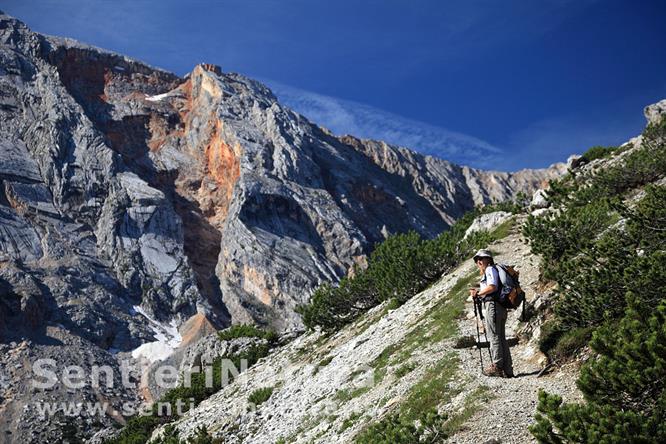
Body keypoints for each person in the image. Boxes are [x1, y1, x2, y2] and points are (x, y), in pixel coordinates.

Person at [469, 249, 514, 378]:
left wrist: (478, 293)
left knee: (494, 335)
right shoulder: (492, 270)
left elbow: (492, 287)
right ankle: (507, 370)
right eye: (477, 260)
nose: (478, 262)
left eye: (481, 258)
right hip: (499, 307)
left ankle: (497, 366)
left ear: (488, 259)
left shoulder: (489, 270)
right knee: (500, 337)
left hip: (493, 306)